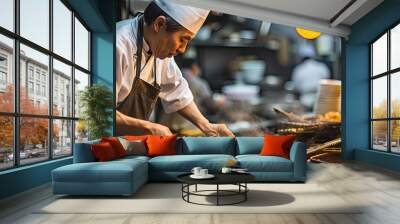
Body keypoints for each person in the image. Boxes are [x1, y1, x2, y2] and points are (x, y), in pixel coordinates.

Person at [116, 0, 234, 137]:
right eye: (183, 39)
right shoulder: (119, 44)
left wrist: (206, 126)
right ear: (159, 24)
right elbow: (97, 110)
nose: (183, 49)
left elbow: (177, 91)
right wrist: (150, 128)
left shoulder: (158, 49)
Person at [291, 45, 330, 110]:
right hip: (321, 100)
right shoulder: (322, 67)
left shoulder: (298, 69)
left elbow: (296, 87)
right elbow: (328, 82)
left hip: (305, 101)